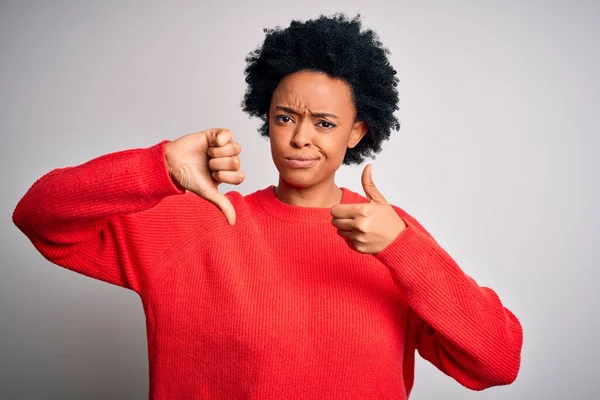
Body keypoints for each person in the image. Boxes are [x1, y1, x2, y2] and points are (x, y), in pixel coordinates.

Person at [12, 13, 523, 400]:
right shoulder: (202, 224)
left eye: (324, 122)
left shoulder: (388, 236)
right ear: (267, 120)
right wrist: (159, 166)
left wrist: (404, 249)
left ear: (357, 131)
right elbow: (39, 217)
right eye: (284, 118)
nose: (300, 138)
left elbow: (496, 362)